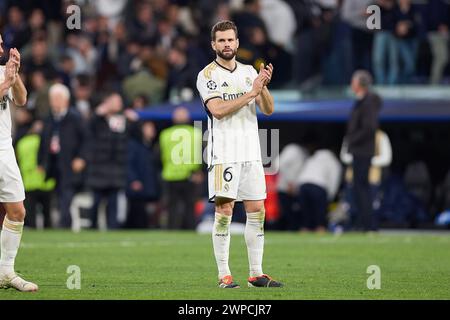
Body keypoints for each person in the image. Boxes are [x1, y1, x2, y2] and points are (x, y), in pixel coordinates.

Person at [196, 20, 282, 288]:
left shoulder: (247, 72)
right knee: (225, 210)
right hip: (224, 154)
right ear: (214, 45)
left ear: (237, 42)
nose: (226, 45)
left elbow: (268, 110)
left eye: (230, 40)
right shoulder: (207, 76)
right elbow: (218, 110)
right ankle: (224, 274)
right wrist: (251, 93)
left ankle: (256, 273)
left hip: (251, 153)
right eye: (221, 41)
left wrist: (262, 86)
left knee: (257, 210)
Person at [0, 34, 38, 291]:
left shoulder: (4, 70)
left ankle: (6, 272)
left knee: (17, 211)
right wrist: (6, 83)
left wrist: (16, 74)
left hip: (4, 148)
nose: (2, 48)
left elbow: (22, 100)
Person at [38, 83, 88, 228]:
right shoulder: (48, 119)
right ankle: (58, 222)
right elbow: (43, 142)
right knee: (57, 193)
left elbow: (87, 140)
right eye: (52, 98)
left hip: (70, 162)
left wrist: (81, 158)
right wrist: (41, 162)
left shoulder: (75, 117)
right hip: (53, 162)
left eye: (58, 98)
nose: (55, 101)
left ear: (66, 100)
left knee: (67, 192)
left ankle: (64, 223)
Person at [344, 70, 382, 232]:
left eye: (354, 81)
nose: (351, 84)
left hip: (362, 151)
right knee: (359, 187)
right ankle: (365, 223)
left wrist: (352, 140)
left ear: (359, 84)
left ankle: (368, 224)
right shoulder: (363, 102)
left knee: (361, 187)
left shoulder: (368, 102)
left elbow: (369, 128)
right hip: (360, 150)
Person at [159, 106, 203, 230]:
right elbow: (203, 154)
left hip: (170, 175)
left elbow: (160, 155)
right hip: (190, 175)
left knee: (172, 207)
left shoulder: (165, 134)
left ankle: (171, 230)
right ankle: (190, 229)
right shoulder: (197, 133)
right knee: (190, 207)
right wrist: (200, 171)